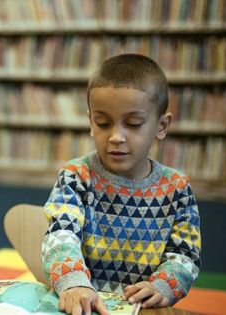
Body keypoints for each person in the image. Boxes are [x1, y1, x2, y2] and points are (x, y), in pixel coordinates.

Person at [41, 54, 201, 315]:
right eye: (103, 123)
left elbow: (185, 254)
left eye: (134, 124)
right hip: (83, 304)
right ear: (91, 122)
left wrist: (165, 285)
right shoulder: (75, 176)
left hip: (143, 308)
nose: (116, 137)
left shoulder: (177, 188)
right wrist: (74, 282)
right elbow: (60, 237)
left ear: (162, 126)